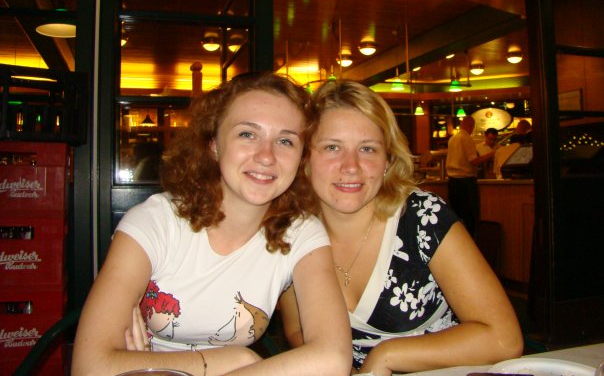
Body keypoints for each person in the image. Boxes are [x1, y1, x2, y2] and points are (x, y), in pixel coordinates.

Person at [72, 72, 351, 376]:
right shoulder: (156, 222)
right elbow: (89, 367)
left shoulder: (301, 233)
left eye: (285, 141)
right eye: (247, 134)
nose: (267, 156)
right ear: (214, 144)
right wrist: (235, 361)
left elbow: (334, 358)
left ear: (300, 157)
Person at [279, 80, 523, 375]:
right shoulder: (291, 233)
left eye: (367, 149)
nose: (351, 166)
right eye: (332, 147)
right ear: (305, 159)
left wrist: (386, 356)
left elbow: (503, 339)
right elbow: (298, 330)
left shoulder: (422, 217)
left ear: (387, 160)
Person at [445, 116, 494, 237]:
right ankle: (470, 240)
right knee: (470, 216)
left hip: (452, 182)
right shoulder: (466, 139)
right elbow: (474, 161)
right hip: (466, 182)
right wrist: (492, 154)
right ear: (471, 126)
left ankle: (458, 240)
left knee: (456, 216)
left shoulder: (452, 139)